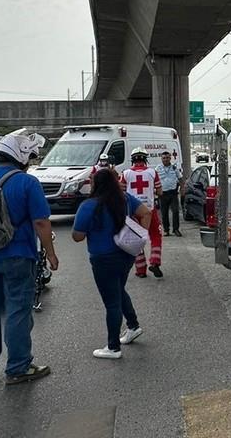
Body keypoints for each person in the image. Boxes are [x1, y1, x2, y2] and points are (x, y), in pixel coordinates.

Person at [0, 129, 57, 385]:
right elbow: (41, 222)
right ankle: (18, 367)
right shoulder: (27, 183)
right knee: (18, 311)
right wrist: (51, 255)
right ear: (22, 155)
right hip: (17, 256)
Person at [73, 166, 153, 359]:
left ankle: (113, 347)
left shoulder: (88, 206)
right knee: (118, 289)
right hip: (126, 254)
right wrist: (141, 234)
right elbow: (147, 213)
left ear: (95, 184)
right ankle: (133, 326)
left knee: (111, 303)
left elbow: (78, 236)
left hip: (103, 259)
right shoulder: (125, 199)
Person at [121, 149, 163, 277]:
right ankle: (155, 261)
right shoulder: (152, 172)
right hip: (150, 210)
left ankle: (140, 270)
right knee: (156, 235)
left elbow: (121, 192)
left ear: (133, 159)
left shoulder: (126, 173)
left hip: (133, 212)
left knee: (136, 240)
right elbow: (160, 191)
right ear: (145, 159)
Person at [158, 150, 183, 237]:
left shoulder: (174, 168)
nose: (166, 160)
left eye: (167, 158)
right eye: (164, 158)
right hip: (162, 194)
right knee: (164, 213)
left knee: (175, 211)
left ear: (170, 158)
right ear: (161, 159)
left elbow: (180, 178)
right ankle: (166, 230)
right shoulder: (158, 168)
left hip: (173, 193)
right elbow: (154, 180)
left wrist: (182, 189)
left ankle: (175, 229)